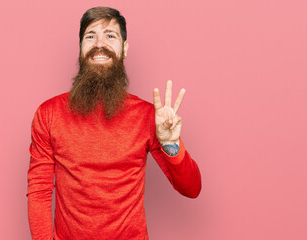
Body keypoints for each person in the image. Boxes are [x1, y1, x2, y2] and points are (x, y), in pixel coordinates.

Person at [27, 6, 201, 240]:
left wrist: (171, 143)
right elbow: (39, 192)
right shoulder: (48, 114)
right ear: (80, 48)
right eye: (91, 36)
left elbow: (191, 189)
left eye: (110, 35)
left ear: (124, 48)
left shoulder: (148, 116)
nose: (100, 44)